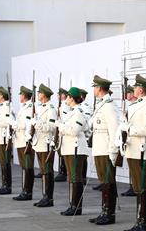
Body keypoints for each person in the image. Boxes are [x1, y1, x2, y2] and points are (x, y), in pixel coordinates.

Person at [118, 75, 146, 231]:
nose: (133, 89)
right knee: (138, 187)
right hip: (133, 150)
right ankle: (139, 221)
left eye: (135, 87)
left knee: (143, 187)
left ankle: (145, 222)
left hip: (143, 151)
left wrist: (129, 129)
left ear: (141, 90)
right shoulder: (136, 105)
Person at [89, 75, 119, 226]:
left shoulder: (109, 106)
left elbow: (114, 130)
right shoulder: (102, 104)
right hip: (99, 149)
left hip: (106, 150)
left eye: (95, 87)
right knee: (104, 182)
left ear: (99, 88)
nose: (94, 89)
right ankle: (104, 211)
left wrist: (113, 151)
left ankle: (109, 213)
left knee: (108, 182)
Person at [58, 87, 90, 216]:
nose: (65, 98)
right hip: (69, 148)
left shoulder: (78, 112)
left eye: (67, 96)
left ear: (72, 98)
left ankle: (76, 207)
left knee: (76, 178)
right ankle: (73, 205)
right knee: (72, 178)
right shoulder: (72, 112)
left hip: (76, 148)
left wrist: (60, 126)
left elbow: (74, 130)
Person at [32, 84, 58, 208]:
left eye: (39, 93)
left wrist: (37, 124)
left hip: (46, 143)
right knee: (43, 170)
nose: (38, 95)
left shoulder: (51, 109)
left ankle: (49, 197)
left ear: (44, 95)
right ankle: (44, 196)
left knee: (47, 170)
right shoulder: (40, 108)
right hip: (39, 142)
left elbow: (52, 127)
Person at [12, 86, 34, 200]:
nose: (20, 97)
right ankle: (24, 191)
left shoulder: (29, 108)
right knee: (24, 167)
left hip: (25, 141)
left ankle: (27, 192)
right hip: (20, 140)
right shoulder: (23, 107)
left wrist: (15, 125)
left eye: (21, 95)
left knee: (27, 167)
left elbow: (27, 125)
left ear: (24, 96)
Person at [0, 86, 14, 195]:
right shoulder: (2, 107)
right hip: (0, 138)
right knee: (2, 162)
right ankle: (4, 184)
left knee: (5, 162)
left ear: (2, 96)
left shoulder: (6, 108)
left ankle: (7, 186)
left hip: (4, 138)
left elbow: (7, 122)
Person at [122, 85, 139, 197]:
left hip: (137, 140)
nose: (126, 95)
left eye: (128, 93)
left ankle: (135, 186)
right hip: (130, 139)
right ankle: (132, 186)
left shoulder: (138, 106)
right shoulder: (130, 106)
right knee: (131, 166)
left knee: (136, 167)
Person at [55, 88, 70, 182]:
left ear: (64, 95)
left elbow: (64, 119)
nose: (58, 96)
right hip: (61, 132)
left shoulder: (65, 106)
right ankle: (62, 171)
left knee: (63, 153)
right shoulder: (61, 105)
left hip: (63, 132)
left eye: (60, 94)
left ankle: (63, 172)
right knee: (61, 153)